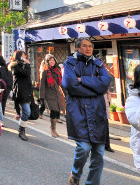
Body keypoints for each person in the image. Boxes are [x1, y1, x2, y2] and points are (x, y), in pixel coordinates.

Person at [63, 38, 111, 185]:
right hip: (78, 110)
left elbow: (105, 83)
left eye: (90, 46)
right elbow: (69, 84)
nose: (88, 48)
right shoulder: (70, 63)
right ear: (78, 48)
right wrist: (94, 90)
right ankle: (75, 175)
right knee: (83, 147)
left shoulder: (98, 64)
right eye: (85, 46)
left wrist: (82, 80)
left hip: (97, 111)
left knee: (99, 153)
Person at [39, 54, 65, 138]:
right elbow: (42, 85)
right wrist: (41, 96)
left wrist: (65, 93)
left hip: (56, 93)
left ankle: (54, 127)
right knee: (53, 110)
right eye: (50, 60)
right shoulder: (45, 71)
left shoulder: (57, 70)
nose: (52, 62)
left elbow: (61, 83)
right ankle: (53, 129)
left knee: (57, 111)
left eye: (53, 60)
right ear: (47, 62)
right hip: (48, 93)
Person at [9, 50, 32, 141]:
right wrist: (27, 64)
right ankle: (21, 130)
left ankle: (22, 128)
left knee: (27, 112)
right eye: (23, 55)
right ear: (19, 56)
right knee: (27, 111)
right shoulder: (15, 66)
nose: (25, 57)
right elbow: (25, 73)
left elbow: (28, 75)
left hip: (27, 91)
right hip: (21, 91)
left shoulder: (22, 65)